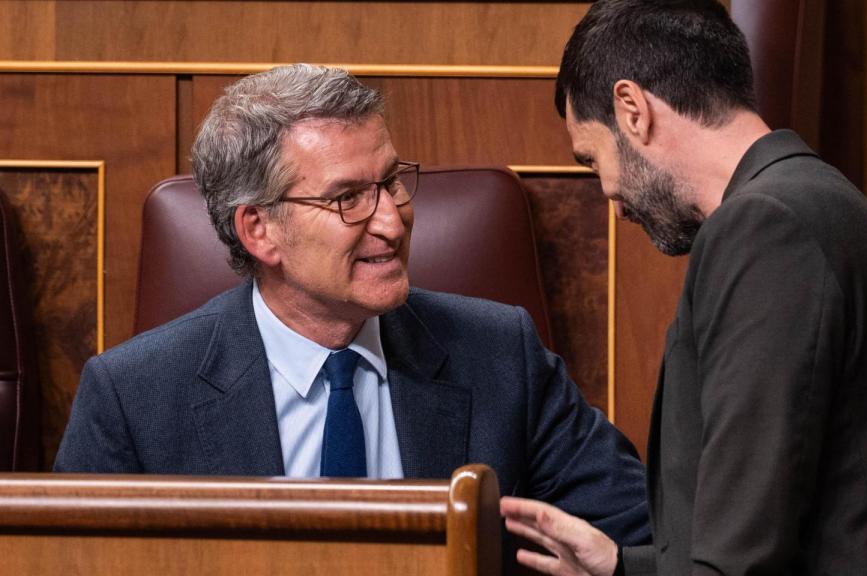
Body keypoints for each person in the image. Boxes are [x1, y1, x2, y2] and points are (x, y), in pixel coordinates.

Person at [54, 63, 650, 563]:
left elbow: (639, 535)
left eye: (391, 182)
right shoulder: (133, 397)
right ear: (260, 231)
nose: (392, 220)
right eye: (348, 198)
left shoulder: (500, 355)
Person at [501, 1, 867, 575]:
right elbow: (823, 519)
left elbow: (743, 554)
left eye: (593, 161)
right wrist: (620, 566)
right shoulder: (833, 209)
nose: (611, 199)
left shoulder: (763, 228)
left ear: (632, 109)